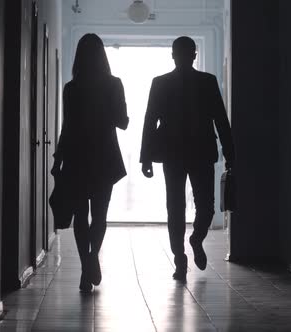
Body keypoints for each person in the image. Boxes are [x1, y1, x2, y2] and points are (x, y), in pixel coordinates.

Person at [140, 36, 235, 282]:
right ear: (194, 55)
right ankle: (195, 239)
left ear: (173, 55)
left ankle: (180, 257)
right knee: (206, 205)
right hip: (201, 151)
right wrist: (230, 153)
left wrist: (146, 158)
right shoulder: (207, 82)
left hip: (172, 152)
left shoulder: (160, 83)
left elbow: (150, 121)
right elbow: (221, 121)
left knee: (175, 207)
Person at [52, 33, 128, 292]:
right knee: (100, 214)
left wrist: (58, 160)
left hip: (76, 158)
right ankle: (92, 257)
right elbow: (123, 122)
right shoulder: (114, 84)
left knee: (80, 216)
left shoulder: (72, 88)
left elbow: (67, 127)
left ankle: (87, 266)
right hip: (104, 157)